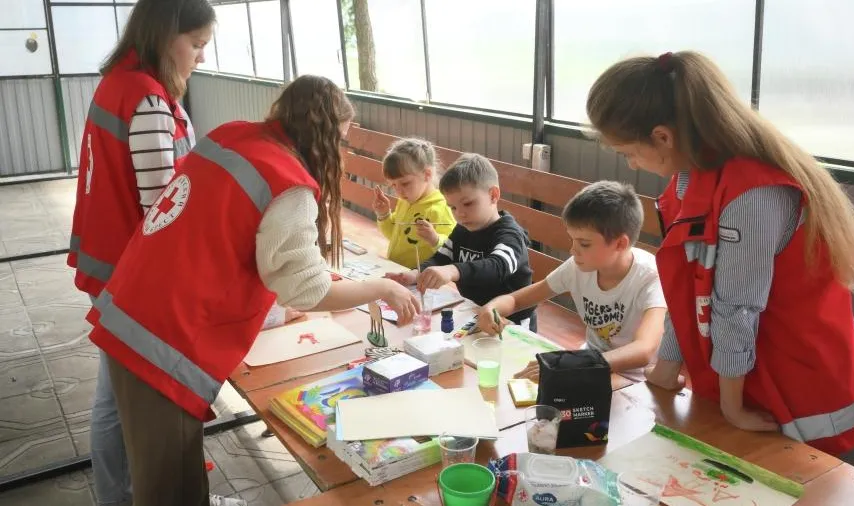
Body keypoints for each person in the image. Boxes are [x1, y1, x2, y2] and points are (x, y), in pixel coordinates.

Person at [84, 75, 421, 506]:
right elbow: (306, 290)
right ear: (321, 134)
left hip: (131, 307)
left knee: (173, 466)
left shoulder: (232, 135)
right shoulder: (288, 183)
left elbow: (230, 241)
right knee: (166, 482)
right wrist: (380, 289)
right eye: (340, 139)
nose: (342, 151)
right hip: (160, 342)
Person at [584, 50, 854, 455]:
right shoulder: (687, 179)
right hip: (745, 374)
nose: (630, 164)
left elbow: (736, 306)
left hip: (797, 388)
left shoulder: (752, 194)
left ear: (663, 137)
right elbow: (689, 290)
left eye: (627, 153)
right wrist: (666, 369)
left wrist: (732, 406)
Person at [64, 2, 250, 505]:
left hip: (115, 263)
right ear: (165, 35)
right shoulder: (147, 100)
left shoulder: (120, 81)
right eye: (195, 44)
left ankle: (115, 495)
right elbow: (162, 209)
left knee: (113, 395)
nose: (201, 58)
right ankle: (120, 495)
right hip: (134, 274)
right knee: (118, 399)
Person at [477, 181, 667, 380]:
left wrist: (571, 364)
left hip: (635, 378)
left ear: (620, 243)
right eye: (573, 240)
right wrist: (492, 308)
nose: (573, 250)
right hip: (587, 362)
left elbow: (644, 350)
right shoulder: (579, 266)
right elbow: (518, 300)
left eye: (584, 244)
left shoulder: (651, 277)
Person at [387, 153, 536, 330]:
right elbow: (441, 258)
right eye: (453, 207)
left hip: (511, 322)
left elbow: (498, 266)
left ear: (493, 195)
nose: (460, 214)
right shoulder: (462, 229)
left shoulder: (510, 235)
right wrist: (416, 274)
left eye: (468, 203)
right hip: (474, 312)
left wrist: (453, 270)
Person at [373, 138, 456, 269]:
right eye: (393, 185)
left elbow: (454, 249)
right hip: (396, 269)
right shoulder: (405, 201)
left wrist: (435, 239)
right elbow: (394, 235)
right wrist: (384, 215)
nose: (399, 191)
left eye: (405, 183)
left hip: (421, 278)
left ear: (427, 174)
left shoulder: (440, 208)